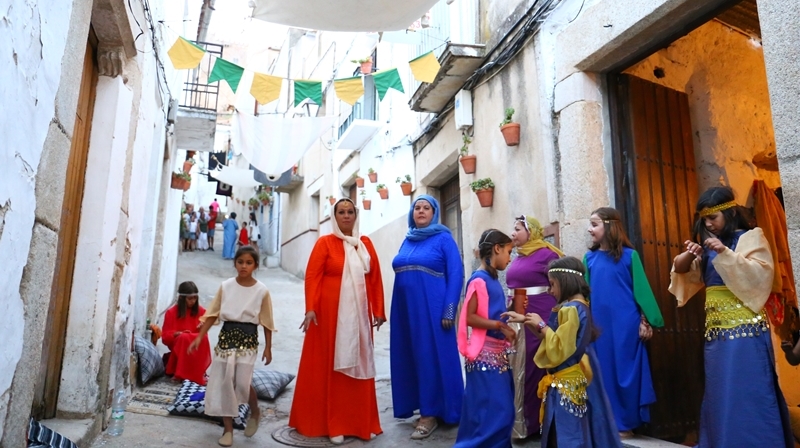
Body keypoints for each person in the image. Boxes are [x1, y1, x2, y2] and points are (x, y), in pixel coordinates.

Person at [669, 186, 793, 447]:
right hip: (717, 335)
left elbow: (760, 277)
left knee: (748, 388)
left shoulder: (751, 237)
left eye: (713, 217)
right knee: (721, 391)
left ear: (729, 212)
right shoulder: (707, 247)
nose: (708, 224)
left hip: (746, 331)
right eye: (704, 220)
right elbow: (682, 272)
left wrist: (726, 253)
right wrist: (690, 253)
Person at [289, 199, 386, 444]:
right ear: (334, 216)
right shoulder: (325, 243)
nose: (345, 216)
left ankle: (358, 422)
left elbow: (374, 278)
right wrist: (310, 308)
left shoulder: (364, 244)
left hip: (359, 317)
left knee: (358, 367)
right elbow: (312, 276)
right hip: (329, 317)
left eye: (349, 212)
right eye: (341, 212)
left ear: (356, 215)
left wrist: (379, 310)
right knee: (329, 367)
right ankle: (330, 424)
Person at [506, 257, 622, 448]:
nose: (550, 291)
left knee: (566, 436)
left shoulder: (571, 310)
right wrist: (526, 320)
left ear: (565, 281)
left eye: (552, 284)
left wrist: (540, 324)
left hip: (565, 386)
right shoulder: (577, 306)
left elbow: (560, 347)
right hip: (565, 383)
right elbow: (552, 337)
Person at [583, 207, 664, 436]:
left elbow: (642, 291)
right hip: (599, 328)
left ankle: (625, 424)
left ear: (610, 225)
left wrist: (647, 320)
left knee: (627, 373)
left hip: (626, 326)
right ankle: (606, 423)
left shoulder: (630, 256)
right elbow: (585, 295)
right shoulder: (589, 258)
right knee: (603, 372)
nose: (590, 229)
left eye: (594, 224)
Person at [390, 195, 465, 439]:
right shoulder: (408, 240)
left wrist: (450, 309)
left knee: (431, 357)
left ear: (434, 213)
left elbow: (456, 274)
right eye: (417, 208)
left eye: (426, 208)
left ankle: (431, 413)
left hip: (433, 311)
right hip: (405, 311)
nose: (421, 211)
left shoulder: (443, 238)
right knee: (410, 357)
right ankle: (422, 405)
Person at [189, 246, 275, 447]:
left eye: (249, 262)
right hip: (226, 338)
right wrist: (199, 337)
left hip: (248, 340)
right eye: (240, 262)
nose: (244, 266)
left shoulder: (262, 291)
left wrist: (268, 347)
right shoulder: (226, 286)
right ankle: (228, 429)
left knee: (242, 383)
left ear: (255, 265)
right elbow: (212, 314)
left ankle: (254, 411)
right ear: (235, 263)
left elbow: (268, 322)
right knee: (225, 381)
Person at [454, 229, 516, 448]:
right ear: (497, 249)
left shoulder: (492, 279)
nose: (510, 258)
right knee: (496, 413)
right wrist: (500, 325)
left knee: (498, 412)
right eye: (509, 252)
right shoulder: (478, 280)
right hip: (484, 356)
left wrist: (512, 311)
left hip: (496, 355)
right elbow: (469, 317)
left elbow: (491, 312)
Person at [506, 215, 562, 438]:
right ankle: (521, 422)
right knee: (518, 368)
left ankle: (537, 424)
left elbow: (561, 279)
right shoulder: (517, 256)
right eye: (513, 228)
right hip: (517, 318)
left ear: (532, 232)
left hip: (538, 316)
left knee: (534, 367)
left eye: (518, 229)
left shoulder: (547, 254)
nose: (513, 233)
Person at [162, 281, 211, 385]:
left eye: (195, 298)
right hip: (179, 346)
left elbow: (203, 335)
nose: (193, 301)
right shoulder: (171, 313)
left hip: (194, 349)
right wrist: (177, 334)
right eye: (190, 298)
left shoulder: (201, 311)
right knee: (183, 337)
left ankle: (197, 371)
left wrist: (202, 329)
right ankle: (179, 373)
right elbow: (165, 338)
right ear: (181, 298)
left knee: (203, 338)